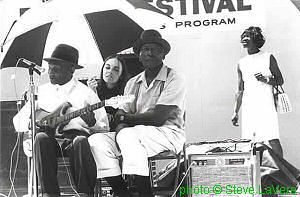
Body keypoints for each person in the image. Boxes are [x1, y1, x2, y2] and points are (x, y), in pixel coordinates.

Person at [88, 29, 186, 197]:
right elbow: (121, 117)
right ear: (139, 56)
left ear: (163, 54)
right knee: (96, 140)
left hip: (168, 134)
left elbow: (158, 117)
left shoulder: (174, 78)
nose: (149, 53)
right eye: (145, 49)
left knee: (128, 135)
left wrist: (125, 120)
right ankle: (122, 192)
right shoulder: (133, 82)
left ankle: (144, 193)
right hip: (136, 135)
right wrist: (122, 126)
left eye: (155, 49)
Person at [13, 44, 109, 197]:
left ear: (71, 69)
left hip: (74, 140)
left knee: (80, 141)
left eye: (56, 69)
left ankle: (85, 193)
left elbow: (104, 127)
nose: (50, 73)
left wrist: (92, 123)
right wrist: (33, 123)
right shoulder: (41, 91)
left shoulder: (86, 93)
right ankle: (48, 193)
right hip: (50, 140)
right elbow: (17, 121)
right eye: (49, 68)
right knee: (40, 138)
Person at [231, 26, 284, 157]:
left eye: (247, 36)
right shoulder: (241, 63)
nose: (243, 39)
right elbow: (240, 90)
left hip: (266, 104)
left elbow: (280, 80)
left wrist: (266, 79)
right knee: (249, 142)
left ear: (255, 39)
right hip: (250, 106)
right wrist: (235, 112)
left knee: (272, 138)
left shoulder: (268, 57)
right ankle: (254, 173)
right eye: (242, 36)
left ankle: (283, 173)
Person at [87, 54, 128, 129]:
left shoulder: (126, 91)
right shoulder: (94, 87)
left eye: (116, 70)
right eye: (107, 67)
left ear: (121, 75)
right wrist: (92, 94)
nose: (110, 72)